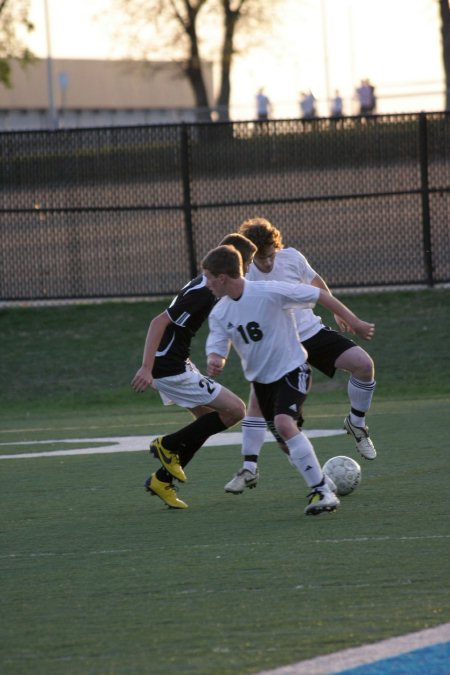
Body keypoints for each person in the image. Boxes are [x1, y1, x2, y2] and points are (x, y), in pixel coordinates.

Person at [203, 244, 375, 516]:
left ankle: (322, 491)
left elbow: (317, 293)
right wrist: (216, 358)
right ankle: (312, 485)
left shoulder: (269, 291)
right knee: (284, 435)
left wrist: (353, 321)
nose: (207, 283)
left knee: (284, 423)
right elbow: (218, 341)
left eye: (209, 277)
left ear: (222, 277)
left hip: (293, 369)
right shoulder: (219, 312)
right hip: (262, 381)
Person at [131, 233, 257, 509]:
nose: (247, 270)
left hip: (176, 361)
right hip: (170, 367)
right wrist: (147, 368)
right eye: (245, 264)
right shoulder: (204, 292)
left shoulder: (208, 284)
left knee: (205, 423)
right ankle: (166, 444)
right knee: (236, 410)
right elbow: (159, 322)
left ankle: (162, 480)